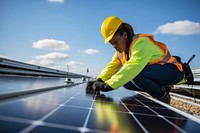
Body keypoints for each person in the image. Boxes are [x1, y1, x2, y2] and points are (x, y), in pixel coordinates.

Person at [86, 16, 184, 104]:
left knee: (135, 75)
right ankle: (160, 88)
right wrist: (99, 79)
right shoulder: (121, 53)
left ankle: (163, 97)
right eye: (112, 44)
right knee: (126, 83)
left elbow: (132, 67)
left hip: (174, 71)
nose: (114, 46)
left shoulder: (141, 43)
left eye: (115, 42)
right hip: (158, 73)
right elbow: (111, 67)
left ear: (124, 35)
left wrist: (107, 85)